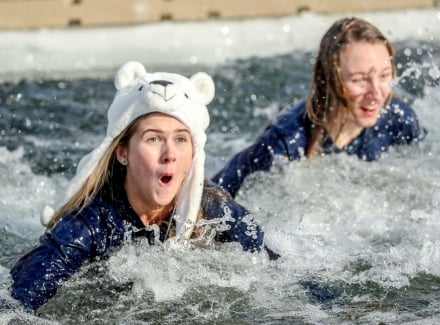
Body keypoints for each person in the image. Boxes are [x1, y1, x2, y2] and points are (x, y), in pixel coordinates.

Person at [10, 61, 278, 311]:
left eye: (181, 139)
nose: (170, 154)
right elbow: (15, 305)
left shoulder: (216, 211)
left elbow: (281, 274)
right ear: (123, 152)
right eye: (153, 139)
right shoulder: (89, 223)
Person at [211, 17, 427, 197]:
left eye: (384, 76)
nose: (377, 93)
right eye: (360, 80)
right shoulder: (286, 143)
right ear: (329, 79)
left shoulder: (399, 120)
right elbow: (217, 202)